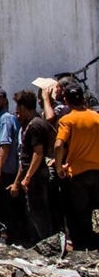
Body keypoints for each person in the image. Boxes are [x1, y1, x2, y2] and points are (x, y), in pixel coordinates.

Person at [55, 84, 99, 250]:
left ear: (66, 100)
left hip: (79, 173)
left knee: (81, 212)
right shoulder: (96, 117)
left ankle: (84, 245)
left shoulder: (67, 120)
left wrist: (59, 166)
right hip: (97, 170)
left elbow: (59, 144)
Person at [10, 90, 53, 242]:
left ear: (22, 106)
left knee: (38, 211)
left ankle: (47, 242)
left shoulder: (35, 125)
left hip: (37, 174)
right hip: (34, 172)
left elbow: (38, 153)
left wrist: (27, 177)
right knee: (33, 210)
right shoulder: (34, 123)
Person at [0, 87, 24, 243]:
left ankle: (11, 237)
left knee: (5, 204)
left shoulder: (5, 118)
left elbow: (5, 145)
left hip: (5, 170)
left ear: (4, 101)